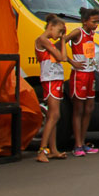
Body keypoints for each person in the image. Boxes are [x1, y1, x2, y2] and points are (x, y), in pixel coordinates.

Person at [35, 15, 74, 162]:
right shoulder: (42, 40)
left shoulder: (49, 42)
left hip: (55, 79)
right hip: (50, 80)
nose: (60, 35)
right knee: (54, 115)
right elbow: (62, 57)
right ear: (50, 26)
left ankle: (53, 149)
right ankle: (42, 150)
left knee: (53, 115)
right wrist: (63, 41)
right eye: (59, 31)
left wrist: (62, 41)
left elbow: (63, 57)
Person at [63, 7, 99, 156]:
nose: (96, 24)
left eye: (97, 21)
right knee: (78, 109)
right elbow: (61, 41)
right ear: (85, 22)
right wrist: (71, 62)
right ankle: (77, 144)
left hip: (90, 73)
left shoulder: (91, 33)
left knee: (89, 108)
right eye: (94, 21)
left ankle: (83, 142)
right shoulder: (78, 32)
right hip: (79, 75)